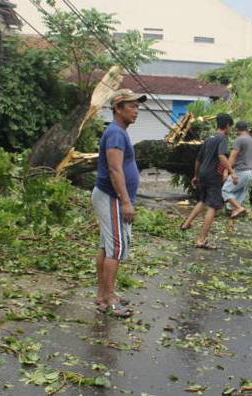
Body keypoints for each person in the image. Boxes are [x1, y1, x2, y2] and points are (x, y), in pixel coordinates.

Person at [92, 89, 147, 318]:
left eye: (137, 106)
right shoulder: (116, 134)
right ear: (118, 108)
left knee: (107, 246)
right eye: (131, 106)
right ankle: (110, 298)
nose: (136, 110)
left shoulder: (118, 132)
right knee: (116, 247)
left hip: (109, 196)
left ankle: (103, 295)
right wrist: (125, 201)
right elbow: (115, 169)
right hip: (112, 197)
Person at [181, 113, 236, 249]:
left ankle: (186, 223)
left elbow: (198, 159)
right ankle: (201, 240)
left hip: (203, 173)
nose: (230, 130)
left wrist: (196, 175)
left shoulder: (209, 139)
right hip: (213, 175)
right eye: (230, 127)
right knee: (213, 206)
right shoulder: (222, 138)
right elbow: (222, 156)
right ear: (228, 125)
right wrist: (232, 172)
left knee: (203, 200)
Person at [221, 121, 252, 219]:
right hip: (250, 171)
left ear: (237, 129)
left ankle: (239, 208)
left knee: (225, 190)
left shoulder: (239, 139)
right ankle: (234, 213)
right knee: (238, 194)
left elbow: (232, 156)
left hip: (241, 171)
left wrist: (226, 171)